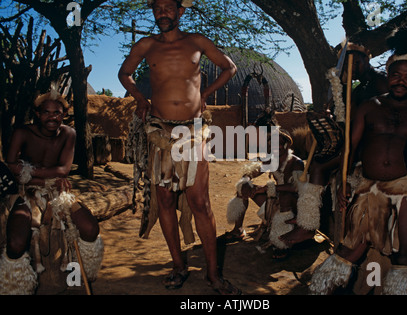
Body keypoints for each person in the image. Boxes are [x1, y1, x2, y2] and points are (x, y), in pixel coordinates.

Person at [118, 0, 240, 294]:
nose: (162, 12)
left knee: (200, 202)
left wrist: (204, 94)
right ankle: (179, 266)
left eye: (168, 7)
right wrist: (140, 99)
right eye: (157, 7)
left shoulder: (196, 41)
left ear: (180, 12)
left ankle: (213, 274)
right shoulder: (146, 45)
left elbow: (229, 68)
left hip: (192, 132)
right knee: (165, 202)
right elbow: (125, 73)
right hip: (159, 131)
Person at [309, 32, 407, 295]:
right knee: (350, 247)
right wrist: (344, 181)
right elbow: (350, 148)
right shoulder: (370, 107)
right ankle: (326, 290)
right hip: (369, 186)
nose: (401, 81)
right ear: (388, 75)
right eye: (396, 75)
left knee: (406, 253)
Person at [280, 43, 389, 247]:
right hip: (355, 144)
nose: (353, 68)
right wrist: (330, 116)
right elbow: (348, 121)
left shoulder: (381, 83)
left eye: (357, 62)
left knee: (320, 167)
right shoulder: (358, 90)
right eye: (349, 65)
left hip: (373, 148)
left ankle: (308, 226)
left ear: (367, 60)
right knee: (316, 165)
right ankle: (307, 223)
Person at [0, 88, 103, 295]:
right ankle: (15, 287)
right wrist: (40, 177)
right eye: (46, 112)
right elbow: (10, 166)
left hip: (58, 192)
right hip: (24, 191)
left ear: (63, 115)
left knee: (90, 228)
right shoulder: (23, 132)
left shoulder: (69, 134)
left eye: (57, 113)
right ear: (37, 114)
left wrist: (29, 171)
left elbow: (64, 169)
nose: (52, 117)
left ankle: (80, 274)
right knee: (16, 243)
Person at [225, 128, 307, 259]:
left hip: (292, 204)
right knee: (243, 188)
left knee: (285, 197)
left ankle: (281, 243)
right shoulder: (271, 160)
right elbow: (252, 171)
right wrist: (246, 180)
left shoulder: (296, 163)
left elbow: (296, 188)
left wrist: (268, 188)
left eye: (280, 143)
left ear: (286, 144)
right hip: (275, 200)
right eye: (273, 144)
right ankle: (238, 230)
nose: (277, 147)